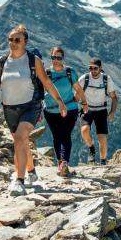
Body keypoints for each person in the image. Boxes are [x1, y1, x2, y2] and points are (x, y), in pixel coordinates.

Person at [0, 24, 67, 196]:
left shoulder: (32, 60)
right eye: (10, 40)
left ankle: (19, 181)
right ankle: (31, 172)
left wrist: (60, 101)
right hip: (9, 108)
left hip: (31, 105)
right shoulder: (1, 62)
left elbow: (46, 82)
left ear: (25, 42)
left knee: (20, 138)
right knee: (21, 141)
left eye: (17, 40)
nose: (13, 43)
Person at [43, 46, 88, 177]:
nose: (56, 60)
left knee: (66, 135)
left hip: (70, 109)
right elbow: (40, 92)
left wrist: (84, 103)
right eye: (53, 57)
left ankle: (64, 163)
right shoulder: (46, 73)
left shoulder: (69, 72)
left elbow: (78, 89)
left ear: (63, 58)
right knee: (57, 136)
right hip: (51, 111)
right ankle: (60, 162)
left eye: (59, 57)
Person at [78, 57, 118, 165]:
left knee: (102, 137)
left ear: (100, 68)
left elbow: (114, 97)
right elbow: (77, 93)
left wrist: (112, 112)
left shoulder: (106, 79)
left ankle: (103, 161)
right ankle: (91, 148)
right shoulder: (84, 78)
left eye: (95, 68)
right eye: (90, 68)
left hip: (101, 110)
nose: (92, 70)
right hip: (87, 108)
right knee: (84, 130)